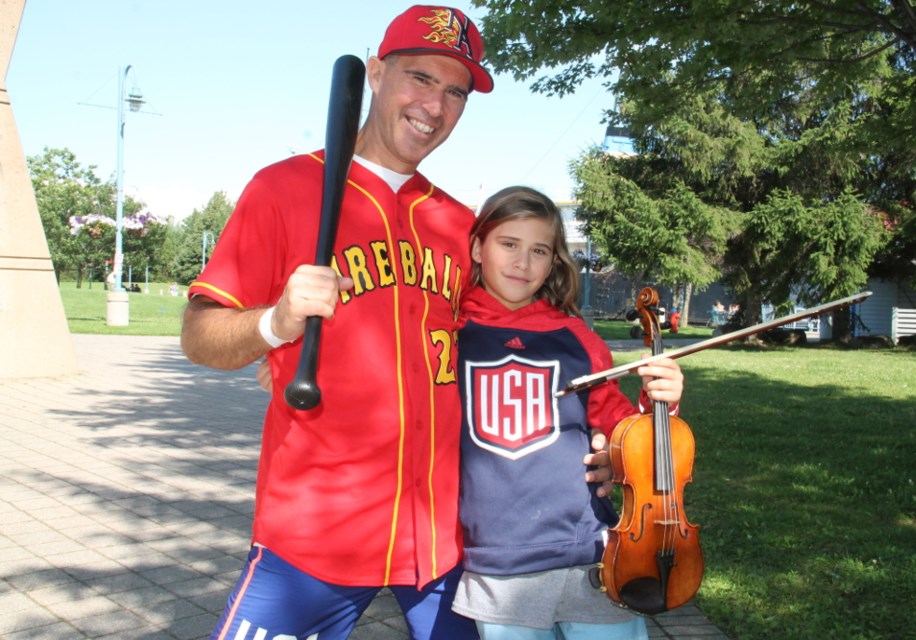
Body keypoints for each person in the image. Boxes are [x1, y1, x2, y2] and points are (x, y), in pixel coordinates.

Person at [180, 7, 611, 640]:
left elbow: (528, 342)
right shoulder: (285, 188)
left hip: (442, 541)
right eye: (420, 78)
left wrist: (596, 434)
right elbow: (199, 337)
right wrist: (274, 324)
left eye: (455, 91)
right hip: (315, 534)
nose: (435, 105)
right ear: (376, 73)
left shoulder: (458, 223)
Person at [451, 186, 685, 639]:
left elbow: (620, 426)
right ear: (478, 247)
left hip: (590, 553)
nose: (523, 262)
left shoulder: (577, 337)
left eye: (539, 250)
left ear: (555, 261)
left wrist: (659, 404)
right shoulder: (450, 331)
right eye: (509, 244)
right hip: (499, 561)